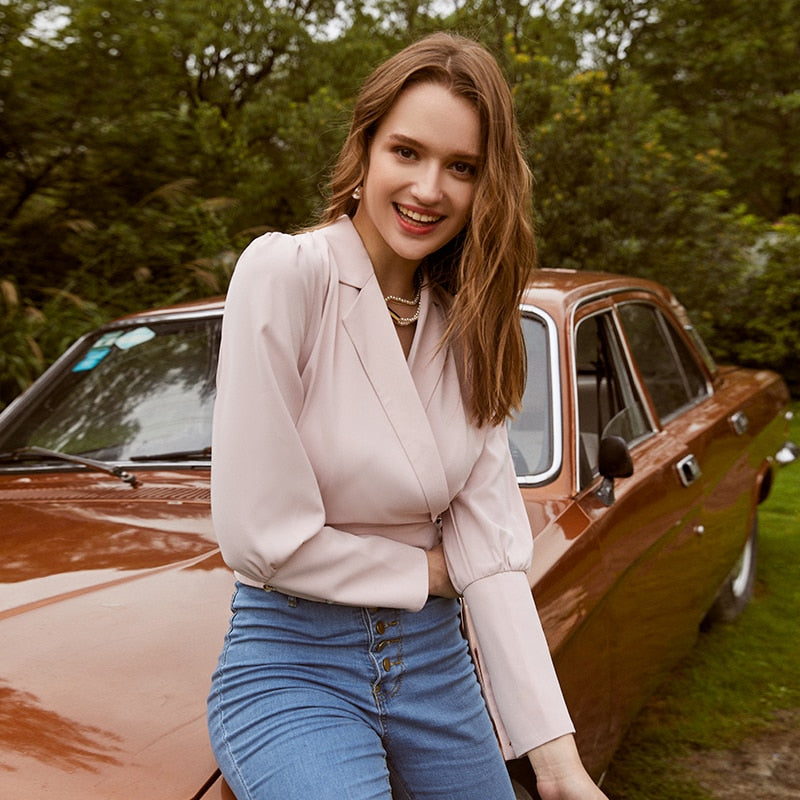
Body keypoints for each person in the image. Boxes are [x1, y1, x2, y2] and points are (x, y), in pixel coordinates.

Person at [208, 32, 608, 800]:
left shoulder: (470, 322)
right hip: (295, 667)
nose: (430, 188)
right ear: (364, 151)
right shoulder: (288, 274)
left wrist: (558, 766)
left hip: (437, 668)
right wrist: (431, 569)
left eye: (461, 168)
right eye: (407, 152)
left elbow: (490, 550)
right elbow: (260, 537)